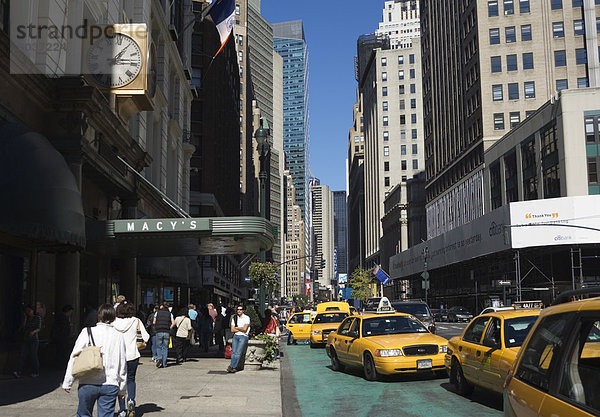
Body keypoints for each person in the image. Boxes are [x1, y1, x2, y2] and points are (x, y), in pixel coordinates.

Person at [62, 304, 127, 417]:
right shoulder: (119, 336)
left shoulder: (87, 332)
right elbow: (122, 364)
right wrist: (122, 389)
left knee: (83, 414)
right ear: (113, 317)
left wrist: (68, 381)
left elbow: (74, 357)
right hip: (110, 383)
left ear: (99, 316)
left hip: (88, 381)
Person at [113, 303, 149, 417]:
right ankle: (131, 400)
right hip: (132, 354)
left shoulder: (113, 322)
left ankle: (122, 409)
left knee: (119, 381)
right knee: (131, 379)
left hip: (117, 356)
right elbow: (146, 337)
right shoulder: (136, 321)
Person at [14, 304, 42, 378]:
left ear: (32, 311)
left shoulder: (37, 318)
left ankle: (35, 371)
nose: (28, 312)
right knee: (22, 355)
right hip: (25, 339)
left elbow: (38, 328)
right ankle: (18, 371)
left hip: (33, 339)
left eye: (29, 311)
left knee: (33, 355)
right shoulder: (26, 319)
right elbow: (23, 327)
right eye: (27, 311)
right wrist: (25, 319)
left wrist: (33, 332)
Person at [227, 305, 250, 373]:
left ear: (243, 310)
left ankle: (233, 366)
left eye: (240, 309)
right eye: (238, 309)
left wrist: (236, 328)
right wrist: (240, 328)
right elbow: (232, 330)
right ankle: (232, 366)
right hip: (236, 336)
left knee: (238, 352)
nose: (239, 311)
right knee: (233, 352)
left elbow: (245, 329)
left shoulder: (246, 318)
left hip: (243, 336)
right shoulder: (234, 318)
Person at [153, 302, 175, 368]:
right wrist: (169, 327)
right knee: (165, 348)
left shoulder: (157, 313)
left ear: (162, 306)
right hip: (166, 332)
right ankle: (164, 363)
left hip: (159, 331)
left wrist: (157, 326)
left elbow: (154, 322)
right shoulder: (170, 314)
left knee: (159, 346)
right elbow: (173, 323)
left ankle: (159, 357)